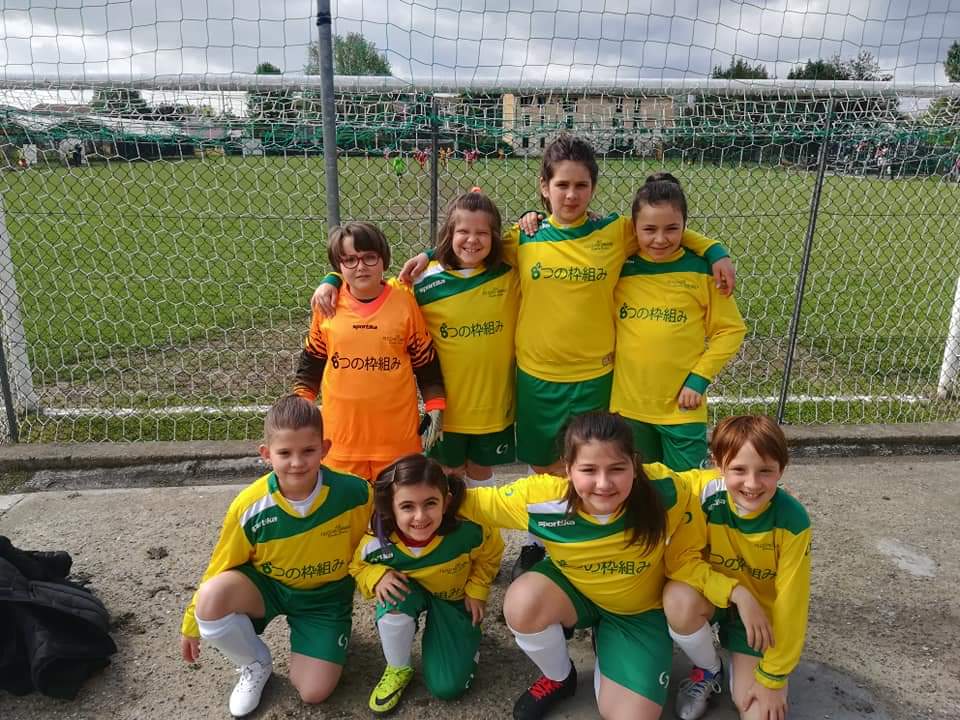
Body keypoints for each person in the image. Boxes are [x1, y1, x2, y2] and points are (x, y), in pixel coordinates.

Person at [395, 134, 736, 577]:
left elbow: (662, 226)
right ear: (544, 187)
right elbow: (475, 241)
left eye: (581, 185)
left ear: (593, 188)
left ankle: (589, 544)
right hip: (536, 377)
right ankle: (539, 542)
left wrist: (714, 250)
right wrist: (427, 254)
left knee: (587, 465)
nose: (571, 195)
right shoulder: (525, 238)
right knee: (544, 466)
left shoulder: (616, 233)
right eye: (562, 185)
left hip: (595, 377)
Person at [456, 411, 730, 720]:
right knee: (522, 601)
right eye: (588, 469)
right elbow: (463, 500)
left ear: (635, 465)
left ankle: (612, 644)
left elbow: (727, 481)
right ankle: (559, 677)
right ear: (568, 469)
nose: (603, 483)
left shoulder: (666, 489)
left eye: (617, 468)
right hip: (575, 593)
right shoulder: (542, 499)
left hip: (636, 614)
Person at [178, 395, 373, 717]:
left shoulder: (356, 493)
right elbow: (221, 564)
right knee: (211, 600)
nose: (297, 462)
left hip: (324, 599)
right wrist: (192, 621)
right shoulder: (249, 505)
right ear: (266, 454)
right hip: (267, 588)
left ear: (325, 448)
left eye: (308, 451)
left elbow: (386, 535)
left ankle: (325, 637)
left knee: (313, 692)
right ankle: (255, 663)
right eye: (285, 453)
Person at [309, 191, 519, 487]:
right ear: (449, 234)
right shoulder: (420, 281)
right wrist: (332, 279)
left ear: (494, 236)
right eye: (463, 232)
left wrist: (532, 216)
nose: (472, 240)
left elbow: (530, 240)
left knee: (482, 475)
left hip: (493, 407)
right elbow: (371, 286)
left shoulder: (509, 274)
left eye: (482, 233)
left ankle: (482, 520)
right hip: (448, 411)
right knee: (447, 478)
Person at [663, 415, 811, 720]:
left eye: (765, 471)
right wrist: (737, 592)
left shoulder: (793, 520)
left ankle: (745, 662)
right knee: (677, 599)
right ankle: (708, 669)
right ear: (718, 465)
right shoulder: (703, 495)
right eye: (739, 470)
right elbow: (680, 562)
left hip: (757, 622)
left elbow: (792, 604)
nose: (752, 483)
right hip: (715, 599)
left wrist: (773, 677)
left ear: (782, 469)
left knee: (760, 713)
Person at [611, 173, 746, 471]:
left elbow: (731, 330)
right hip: (628, 406)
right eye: (649, 230)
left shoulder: (702, 271)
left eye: (672, 229)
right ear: (634, 229)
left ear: (685, 227)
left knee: (687, 487)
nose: (660, 239)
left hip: (683, 406)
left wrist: (699, 378)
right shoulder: (620, 266)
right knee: (638, 485)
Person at [350, 454, 504, 715]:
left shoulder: (470, 530)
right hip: (409, 591)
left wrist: (477, 589)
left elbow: (491, 552)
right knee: (392, 593)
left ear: (446, 502)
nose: (420, 516)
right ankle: (398, 667)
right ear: (391, 507)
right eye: (407, 506)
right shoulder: (377, 541)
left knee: (448, 687)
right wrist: (376, 576)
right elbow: (357, 567)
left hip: (453, 597)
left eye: (430, 503)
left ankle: (464, 644)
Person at [293, 221, 445, 482]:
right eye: (350, 260)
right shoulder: (327, 305)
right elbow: (312, 361)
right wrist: (300, 403)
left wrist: (435, 405)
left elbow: (426, 362)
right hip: (340, 441)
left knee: (395, 504)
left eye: (369, 257)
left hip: (396, 439)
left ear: (383, 260)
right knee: (350, 505)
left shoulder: (404, 303)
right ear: (339, 266)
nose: (360, 266)